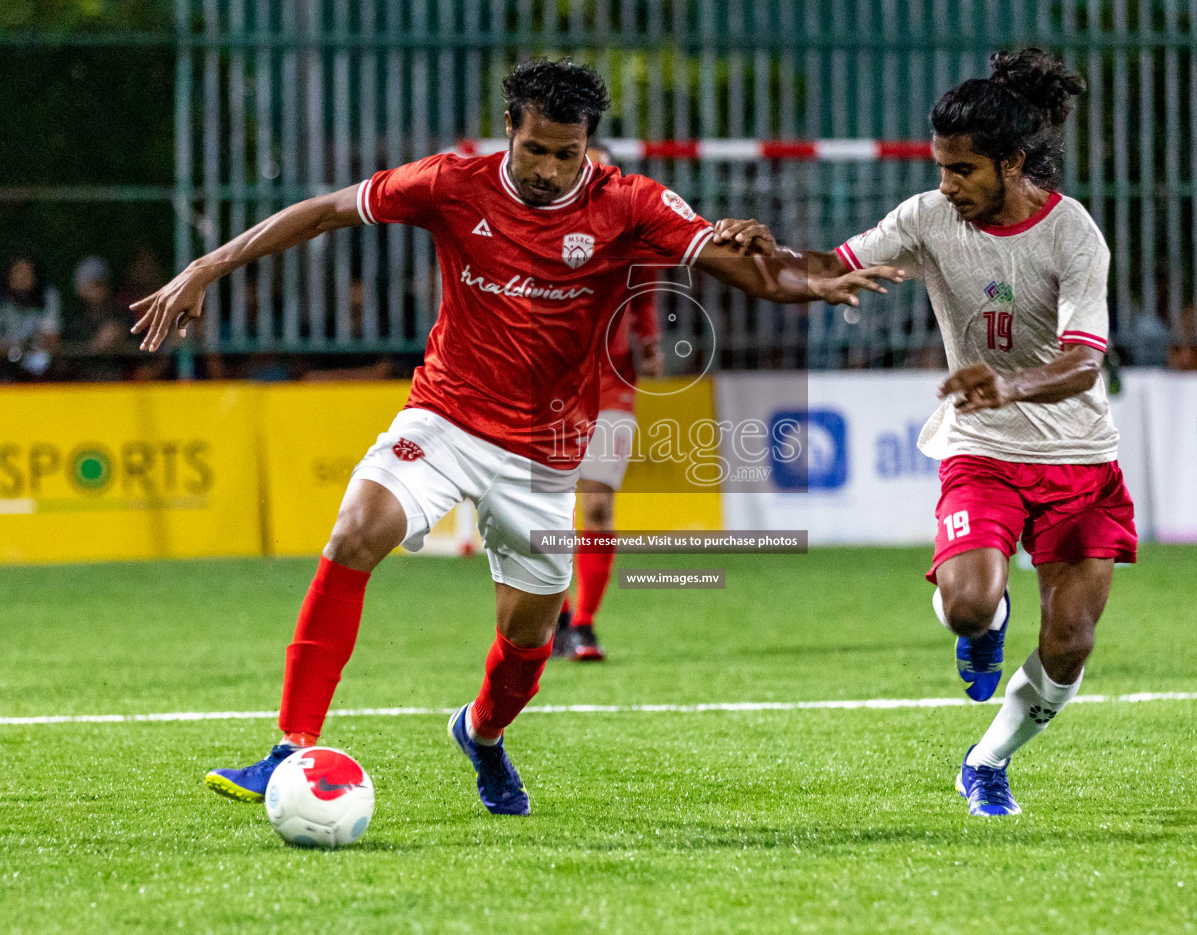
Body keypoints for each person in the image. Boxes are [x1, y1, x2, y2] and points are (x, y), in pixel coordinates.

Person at [131, 59, 897, 817]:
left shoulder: (628, 202)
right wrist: (208, 264)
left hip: (545, 454)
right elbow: (329, 210)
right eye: (537, 150)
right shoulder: (451, 183)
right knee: (356, 531)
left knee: (529, 639)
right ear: (509, 130)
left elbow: (750, 267)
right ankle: (291, 747)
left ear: (588, 143)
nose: (551, 169)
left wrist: (814, 277)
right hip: (445, 417)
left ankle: (482, 736)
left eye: (568, 153)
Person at [766, 48, 1137, 817]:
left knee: (1069, 643)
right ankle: (981, 629)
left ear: (1012, 162)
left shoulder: (1074, 235)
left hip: (1079, 457)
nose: (948, 185)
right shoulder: (928, 218)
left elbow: (1081, 364)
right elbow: (829, 264)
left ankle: (987, 761)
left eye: (964, 170)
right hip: (984, 451)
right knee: (970, 605)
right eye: (940, 167)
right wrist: (754, 254)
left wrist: (1008, 382)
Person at [554, 142, 664, 663]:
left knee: (596, 503)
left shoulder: (628, 230)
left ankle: (583, 623)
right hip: (546, 382)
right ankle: (549, 614)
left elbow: (643, 293)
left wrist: (648, 341)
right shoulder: (535, 228)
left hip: (613, 378)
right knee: (540, 508)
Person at [0, 254, 60, 381]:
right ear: (7, 275)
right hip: (1, 372)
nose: (23, 278)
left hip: (40, 373)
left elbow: (52, 339)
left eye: (28, 272)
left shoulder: (47, 297)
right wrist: (18, 347)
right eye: (18, 272)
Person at [62, 256, 131, 382]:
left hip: (120, 387)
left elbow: (141, 354)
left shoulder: (123, 316)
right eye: (92, 283)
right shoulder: (71, 321)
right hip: (81, 388)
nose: (98, 288)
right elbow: (63, 362)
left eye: (101, 282)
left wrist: (121, 336)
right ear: (79, 289)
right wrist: (92, 347)